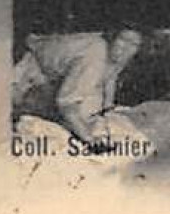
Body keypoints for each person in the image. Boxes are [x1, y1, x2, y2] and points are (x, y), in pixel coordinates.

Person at [12, 29, 142, 143]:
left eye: (134, 44)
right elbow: (66, 103)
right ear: (113, 38)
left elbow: (111, 77)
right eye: (123, 39)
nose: (126, 48)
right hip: (30, 69)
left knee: (90, 112)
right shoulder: (95, 55)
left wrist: (108, 111)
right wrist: (89, 138)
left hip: (55, 75)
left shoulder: (117, 55)